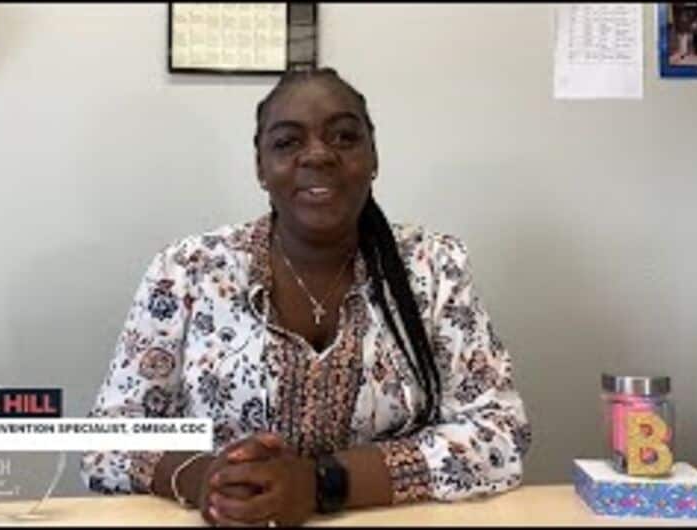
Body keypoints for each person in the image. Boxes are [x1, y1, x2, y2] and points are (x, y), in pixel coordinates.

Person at [80, 67, 531, 527]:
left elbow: (499, 432)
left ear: (374, 156)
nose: (318, 155)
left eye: (343, 137)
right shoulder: (187, 271)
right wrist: (207, 483)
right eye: (287, 142)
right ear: (260, 166)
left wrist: (323, 484)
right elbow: (107, 440)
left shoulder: (434, 267)